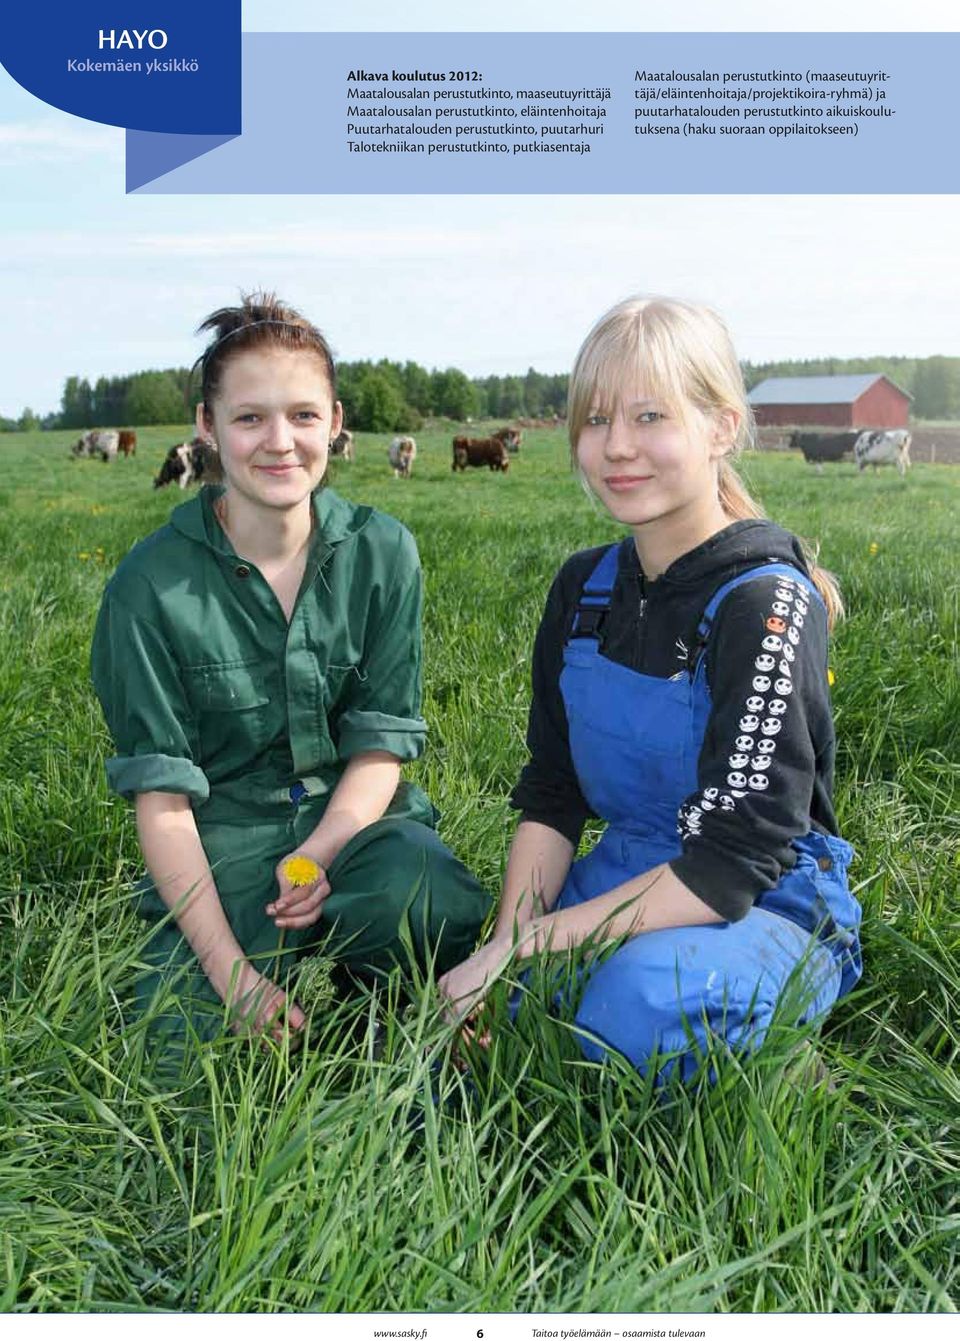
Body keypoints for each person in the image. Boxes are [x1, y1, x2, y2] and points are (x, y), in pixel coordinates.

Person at [438, 295, 862, 1081]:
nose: (617, 447)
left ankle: (786, 1064)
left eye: (650, 416)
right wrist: (504, 952)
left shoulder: (763, 604)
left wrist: (534, 942)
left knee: (630, 1009)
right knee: (497, 1016)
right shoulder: (584, 590)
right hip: (636, 871)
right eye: (595, 420)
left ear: (720, 427)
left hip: (768, 898)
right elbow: (554, 794)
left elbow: (734, 860)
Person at [92, 293, 490, 1045]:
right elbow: (164, 803)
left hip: (355, 821)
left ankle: (389, 993)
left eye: (303, 415)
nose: (280, 442)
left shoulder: (384, 553)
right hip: (222, 844)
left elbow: (379, 747)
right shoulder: (147, 587)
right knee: (185, 1059)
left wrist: (316, 854)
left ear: (335, 423)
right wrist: (230, 973)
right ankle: (250, 970)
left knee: (425, 897)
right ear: (206, 428)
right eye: (249, 418)